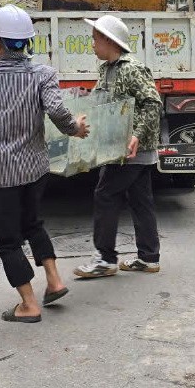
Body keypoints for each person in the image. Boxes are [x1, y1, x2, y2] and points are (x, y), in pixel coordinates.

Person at [0, 5, 90, 323]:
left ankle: (29, 304)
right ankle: (54, 280)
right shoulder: (43, 74)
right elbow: (56, 110)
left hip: (1, 173)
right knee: (33, 223)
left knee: (7, 238)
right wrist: (74, 128)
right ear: (27, 43)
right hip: (35, 168)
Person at [74, 15, 163, 278]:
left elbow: (153, 103)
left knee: (105, 195)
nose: (92, 45)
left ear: (109, 41)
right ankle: (148, 258)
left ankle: (105, 259)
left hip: (129, 152)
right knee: (140, 200)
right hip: (119, 149)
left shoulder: (131, 68)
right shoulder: (107, 69)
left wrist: (136, 135)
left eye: (95, 39)